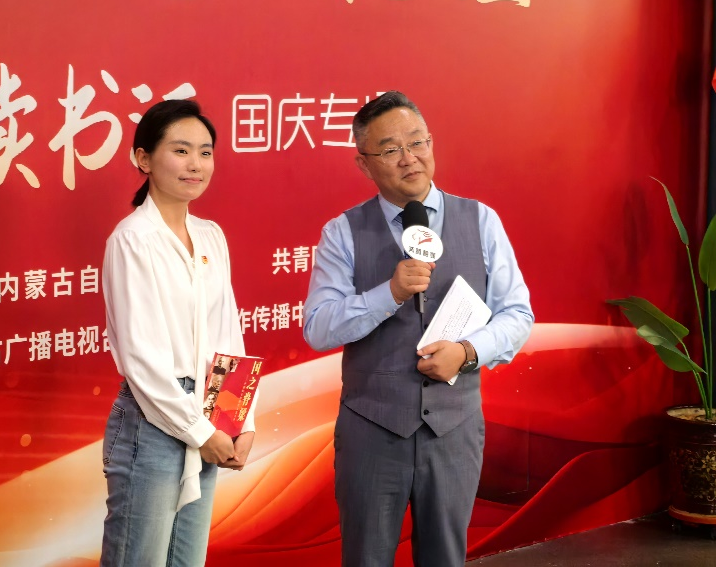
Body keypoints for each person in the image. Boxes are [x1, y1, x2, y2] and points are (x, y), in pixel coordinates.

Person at [303, 91, 534, 567]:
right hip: (371, 430)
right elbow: (319, 327)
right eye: (390, 149)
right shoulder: (341, 232)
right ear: (364, 163)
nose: (409, 158)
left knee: (445, 556)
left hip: (454, 430)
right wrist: (387, 294)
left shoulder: (481, 220)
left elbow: (517, 314)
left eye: (417, 142)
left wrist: (467, 351)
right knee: (366, 557)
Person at [100, 99, 256, 567]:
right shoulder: (132, 239)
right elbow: (141, 358)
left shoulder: (210, 235)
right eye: (181, 150)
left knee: (187, 560)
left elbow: (228, 331)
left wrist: (240, 420)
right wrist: (199, 431)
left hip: (209, 411)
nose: (196, 164)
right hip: (153, 420)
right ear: (143, 158)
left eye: (205, 152)